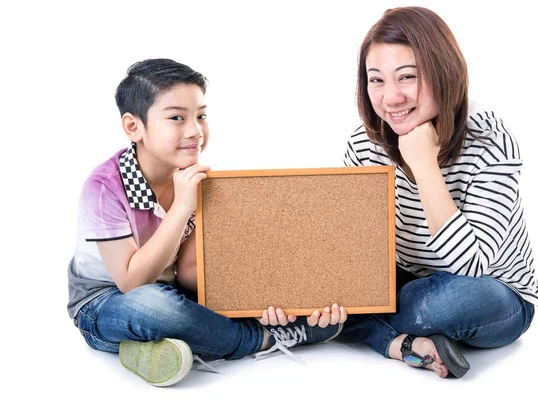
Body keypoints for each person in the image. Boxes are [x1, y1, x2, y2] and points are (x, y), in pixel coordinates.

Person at [67, 58, 346, 387]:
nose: (195, 131)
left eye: (201, 115)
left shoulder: (191, 177)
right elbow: (131, 282)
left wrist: (256, 300)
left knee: (178, 303)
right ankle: (260, 339)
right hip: (104, 302)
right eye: (176, 118)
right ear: (134, 127)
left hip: (172, 293)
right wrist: (183, 207)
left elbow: (189, 273)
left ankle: (159, 348)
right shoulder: (104, 187)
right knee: (152, 307)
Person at [341, 6, 538, 378]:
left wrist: (424, 164)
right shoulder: (363, 144)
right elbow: (358, 250)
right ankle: (409, 345)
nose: (391, 98)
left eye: (407, 77)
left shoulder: (492, 145)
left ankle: (367, 327)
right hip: (403, 277)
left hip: (494, 293)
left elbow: (469, 267)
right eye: (376, 80)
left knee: (437, 306)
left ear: (443, 72)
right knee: (322, 289)